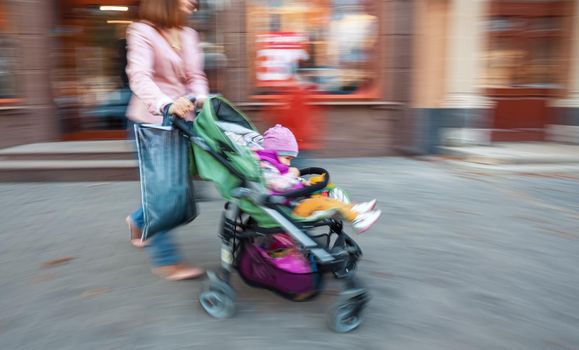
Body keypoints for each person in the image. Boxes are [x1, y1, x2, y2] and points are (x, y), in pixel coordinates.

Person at [124, 0, 208, 281]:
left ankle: (138, 220)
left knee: (179, 188)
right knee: (165, 193)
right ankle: (166, 261)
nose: (192, 2)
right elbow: (139, 77)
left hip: (182, 121)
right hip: (150, 121)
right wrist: (164, 103)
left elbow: (196, 76)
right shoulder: (142, 31)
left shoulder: (188, 34)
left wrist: (200, 98)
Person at [256, 125, 382, 233]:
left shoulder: (275, 165)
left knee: (328, 192)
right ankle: (356, 220)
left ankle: (352, 208)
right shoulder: (267, 166)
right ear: (275, 153)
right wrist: (292, 175)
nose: (289, 164)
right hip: (289, 207)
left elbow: (284, 181)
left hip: (294, 198)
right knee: (326, 203)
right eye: (288, 158)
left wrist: (301, 182)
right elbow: (277, 185)